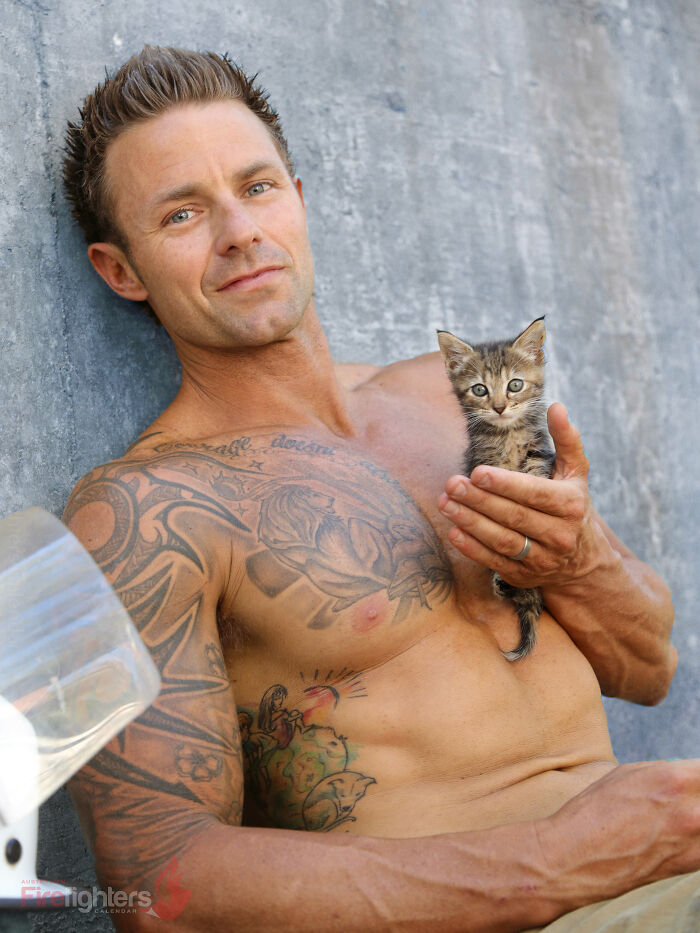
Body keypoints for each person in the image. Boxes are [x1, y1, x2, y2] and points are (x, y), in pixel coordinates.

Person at [60, 46, 698, 932]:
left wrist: (582, 560)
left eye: (257, 187)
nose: (240, 231)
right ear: (121, 270)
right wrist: (559, 860)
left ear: (300, 198)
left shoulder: (452, 398)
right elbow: (160, 885)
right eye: (181, 214)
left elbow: (651, 667)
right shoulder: (138, 512)